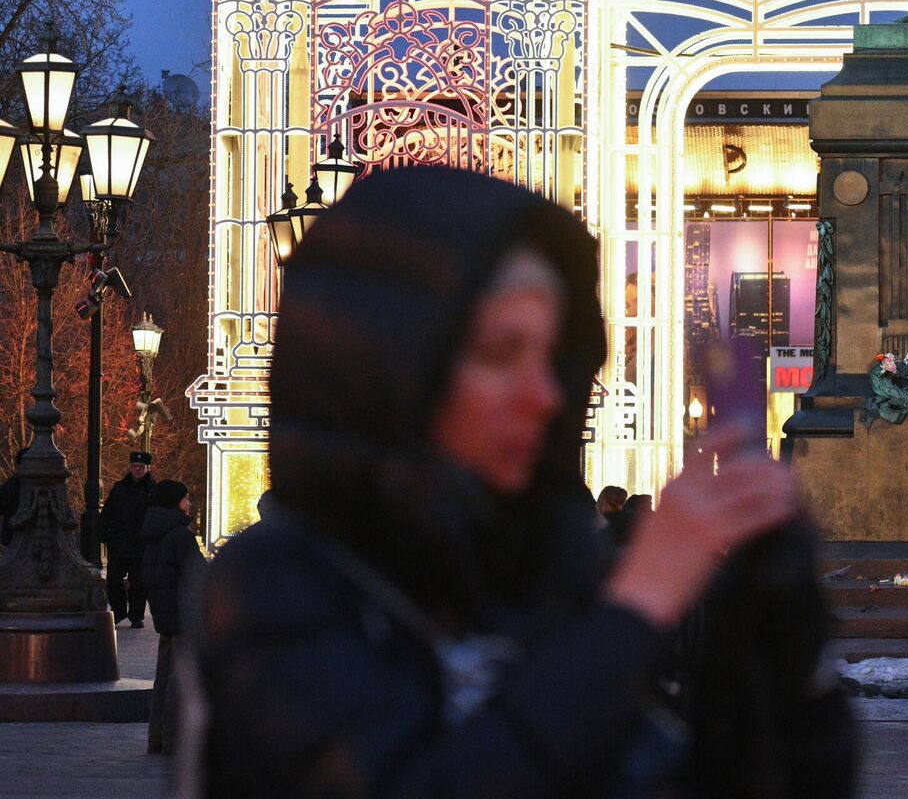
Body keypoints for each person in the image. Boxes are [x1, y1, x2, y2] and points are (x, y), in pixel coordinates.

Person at [183, 166, 835, 798]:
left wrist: (781, 660)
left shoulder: (550, 564)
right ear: (391, 368)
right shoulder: (277, 584)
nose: (544, 394)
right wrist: (636, 607)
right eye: (501, 354)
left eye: (553, 357)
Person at [140, 477, 204, 756]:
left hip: (164, 612)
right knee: (179, 680)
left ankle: (157, 736)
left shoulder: (154, 532)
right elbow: (198, 574)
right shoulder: (180, 536)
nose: (188, 503)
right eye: (185, 498)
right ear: (175, 502)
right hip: (182, 613)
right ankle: (172, 739)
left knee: (163, 678)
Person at [99, 449, 157, 626]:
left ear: (148, 468)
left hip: (140, 544)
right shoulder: (120, 487)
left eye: (141, 467)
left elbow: (155, 516)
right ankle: (119, 611)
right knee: (114, 579)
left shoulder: (153, 490)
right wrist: (106, 534)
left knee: (138, 582)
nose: (137, 470)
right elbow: (108, 512)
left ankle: (136, 615)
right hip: (119, 541)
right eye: (134, 466)